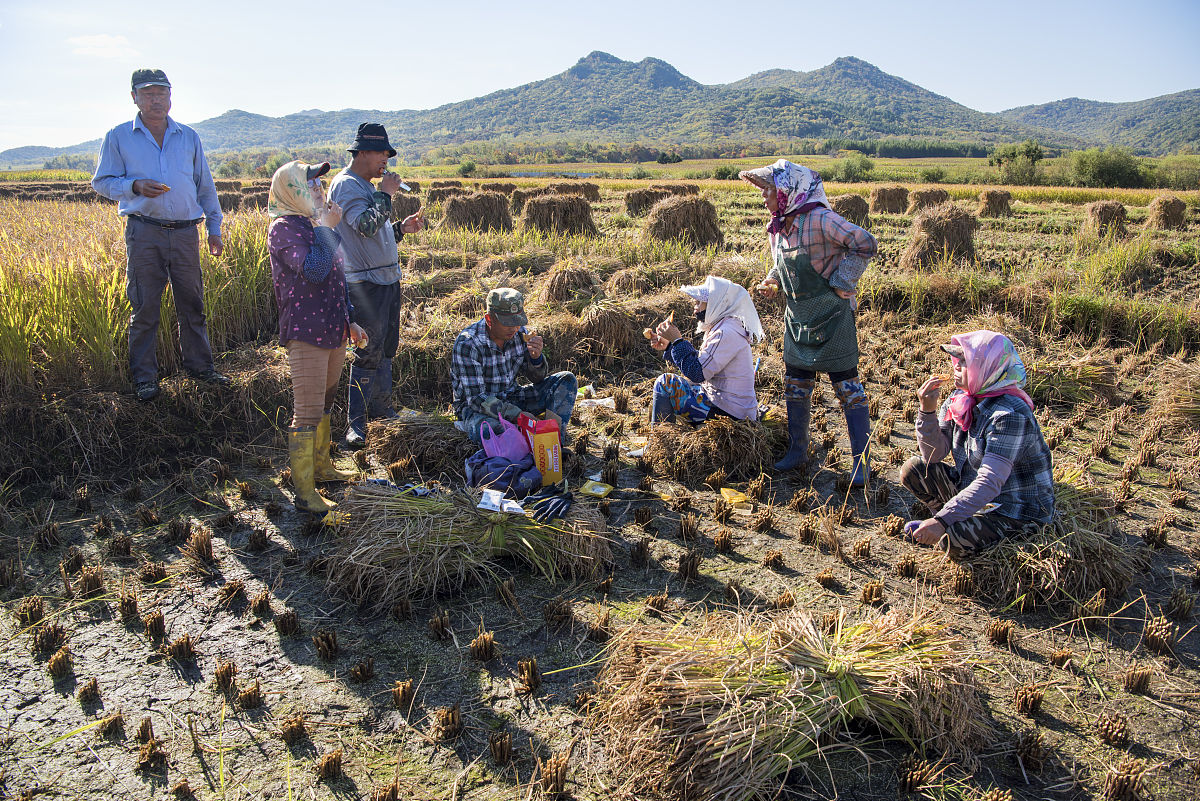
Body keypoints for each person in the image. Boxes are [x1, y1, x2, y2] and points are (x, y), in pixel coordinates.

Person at [92, 68, 231, 402]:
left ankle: (200, 368)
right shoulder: (119, 136)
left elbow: (205, 187)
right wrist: (134, 186)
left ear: (171, 96)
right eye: (149, 94)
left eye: (162, 93)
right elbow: (102, 182)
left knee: (193, 304)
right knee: (144, 307)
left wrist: (215, 229)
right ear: (134, 98)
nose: (157, 100)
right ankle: (144, 378)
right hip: (144, 232)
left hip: (186, 233)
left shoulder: (188, 137)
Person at [741, 159, 878, 482]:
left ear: (788, 190)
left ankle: (861, 462)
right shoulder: (777, 227)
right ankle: (798, 451)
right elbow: (782, 264)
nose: (764, 197)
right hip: (798, 318)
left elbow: (865, 243)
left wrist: (844, 281)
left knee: (848, 388)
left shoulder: (820, 219)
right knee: (795, 385)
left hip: (831, 316)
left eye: (769, 190)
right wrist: (773, 281)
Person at [266, 160, 368, 514]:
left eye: (319, 186)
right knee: (307, 411)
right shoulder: (284, 229)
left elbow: (336, 280)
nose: (319, 191)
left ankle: (322, 467)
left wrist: (350, 321)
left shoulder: (313, 224)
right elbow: (313, 269)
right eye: (310, 186)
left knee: (325, 402)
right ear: (290, 190)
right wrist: (327, 228)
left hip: (333, 327)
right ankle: (305, 493)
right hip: (306, 331)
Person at [900, 330, 1055, 556]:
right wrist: (927, 411)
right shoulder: (960, 400)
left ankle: (949, 526)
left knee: (950, 541)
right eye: (957, 359)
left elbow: (990, 483)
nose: (956, 365)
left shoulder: (1008, 414)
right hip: (978, 494)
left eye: (965, 361)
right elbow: (933, 456)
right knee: (914, 470)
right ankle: (954, 521)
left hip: (1014, 508)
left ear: (988, 367)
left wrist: (943, 521)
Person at [328, 123, 425, 449]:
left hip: (386, 279)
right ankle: (355, 425)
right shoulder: (347, 186)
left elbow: (375, 231)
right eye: (382, 153)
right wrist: (386, 192)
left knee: (385, 348)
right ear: (363, 152)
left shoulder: (366, 186)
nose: (386, 159)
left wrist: (399, 228)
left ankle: (383, 411)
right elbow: (366, 226)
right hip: (364, 284)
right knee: (367, 351)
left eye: (388, 154)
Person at [451, 289, 577, 444]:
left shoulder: (519, 334)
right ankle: (526, 439)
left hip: (513, 397)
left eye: (517, 321)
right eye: (508, 323)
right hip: (478, 409)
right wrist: (518, 415)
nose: (515, 328)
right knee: (494, 431)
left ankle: (554, 441)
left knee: (566, 380)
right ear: (489, 319)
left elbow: (537, 379)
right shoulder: (469, 344)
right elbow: (477, 399)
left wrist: (535, 358)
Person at [646, 275, 763, 426]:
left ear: (717, 304)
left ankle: (659, 440)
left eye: (700, 302)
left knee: (665, 383)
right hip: (726, 404)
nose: (695, 306)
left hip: (729, 413)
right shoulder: (724, 326)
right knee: (680, 382)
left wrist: (677, 341)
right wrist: (670, 346)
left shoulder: (725, 332)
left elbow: (697, 373)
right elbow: (705, 363)